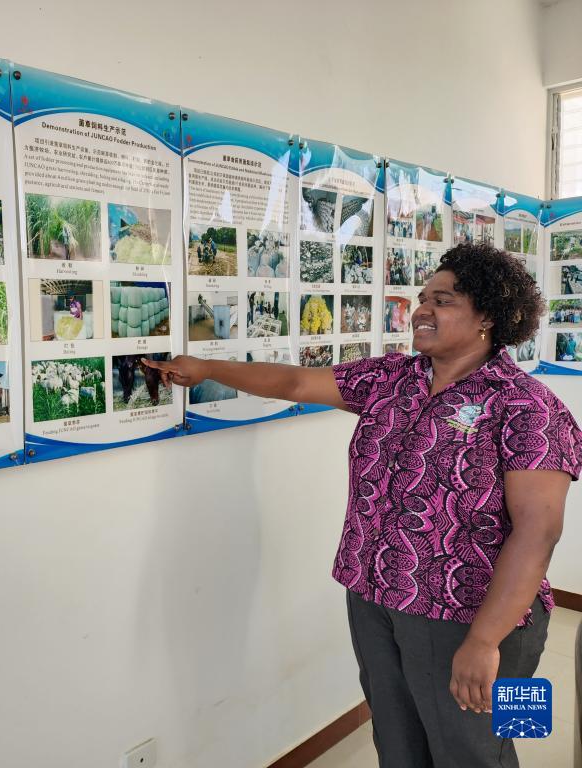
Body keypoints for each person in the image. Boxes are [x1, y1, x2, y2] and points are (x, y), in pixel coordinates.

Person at [144, 242, 582, 768]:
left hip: (476, 616)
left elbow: (539, 532)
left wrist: (485, 642)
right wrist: (205, 366)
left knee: (478, 751)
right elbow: (294, 381)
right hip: (374, 597)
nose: (421, 310)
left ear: (488, 315)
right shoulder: (391, 378)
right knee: (398, 744)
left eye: (443, 300)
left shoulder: (527, 407)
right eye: (423, 297)